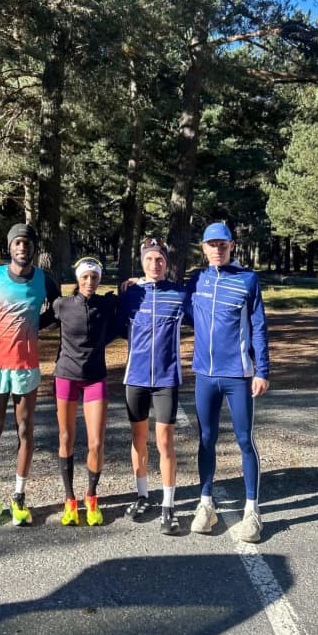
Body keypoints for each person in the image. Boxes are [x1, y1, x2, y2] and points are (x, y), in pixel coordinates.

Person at [0, 223, 60, 527]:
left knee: (25, 431)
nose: (22, 247)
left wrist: (34, 325)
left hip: (26, 366)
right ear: (9, 247)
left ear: (33, 248)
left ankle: (19, 498)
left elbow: (58, 312)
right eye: (17, 242)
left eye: (27, 243)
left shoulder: (45, 279)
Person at [186, 222, 270, 542]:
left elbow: (258, 327)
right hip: (205, 375)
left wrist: (262, 370)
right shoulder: (197, 280)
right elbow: (179, 306)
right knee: (206, 439)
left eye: (223, 244)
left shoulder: (248, 279)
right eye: (211, 245)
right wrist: (136, 284)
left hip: (238, 375)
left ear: (231, 246)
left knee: (245, 440)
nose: (217, 250)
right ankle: (206, 505)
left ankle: (252, 512)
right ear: (204, 248)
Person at [119, 237, 189, 536]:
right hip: (135, 378)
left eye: (159, 259)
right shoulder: (131, 295)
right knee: (138, 440)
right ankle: (142, 496)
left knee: (164, 442)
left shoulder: (180, 295)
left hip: (166, 379)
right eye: (149, 259)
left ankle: (169, 505)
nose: (155, 264)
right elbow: (107, 320)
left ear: (166, 262)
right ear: (142, 262)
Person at [52, 256, 118, 526]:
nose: (90, 282)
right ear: (77, 279)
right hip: (66, 376)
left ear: (100, 279)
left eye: (94, 277)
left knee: (96, 442)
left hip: (95, 378)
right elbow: (34, 321)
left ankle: (91, 497)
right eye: (85, 277)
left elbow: (125, 313)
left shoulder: (107, 304)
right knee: (66, 438)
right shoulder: (62, 305)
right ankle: (70, 500)